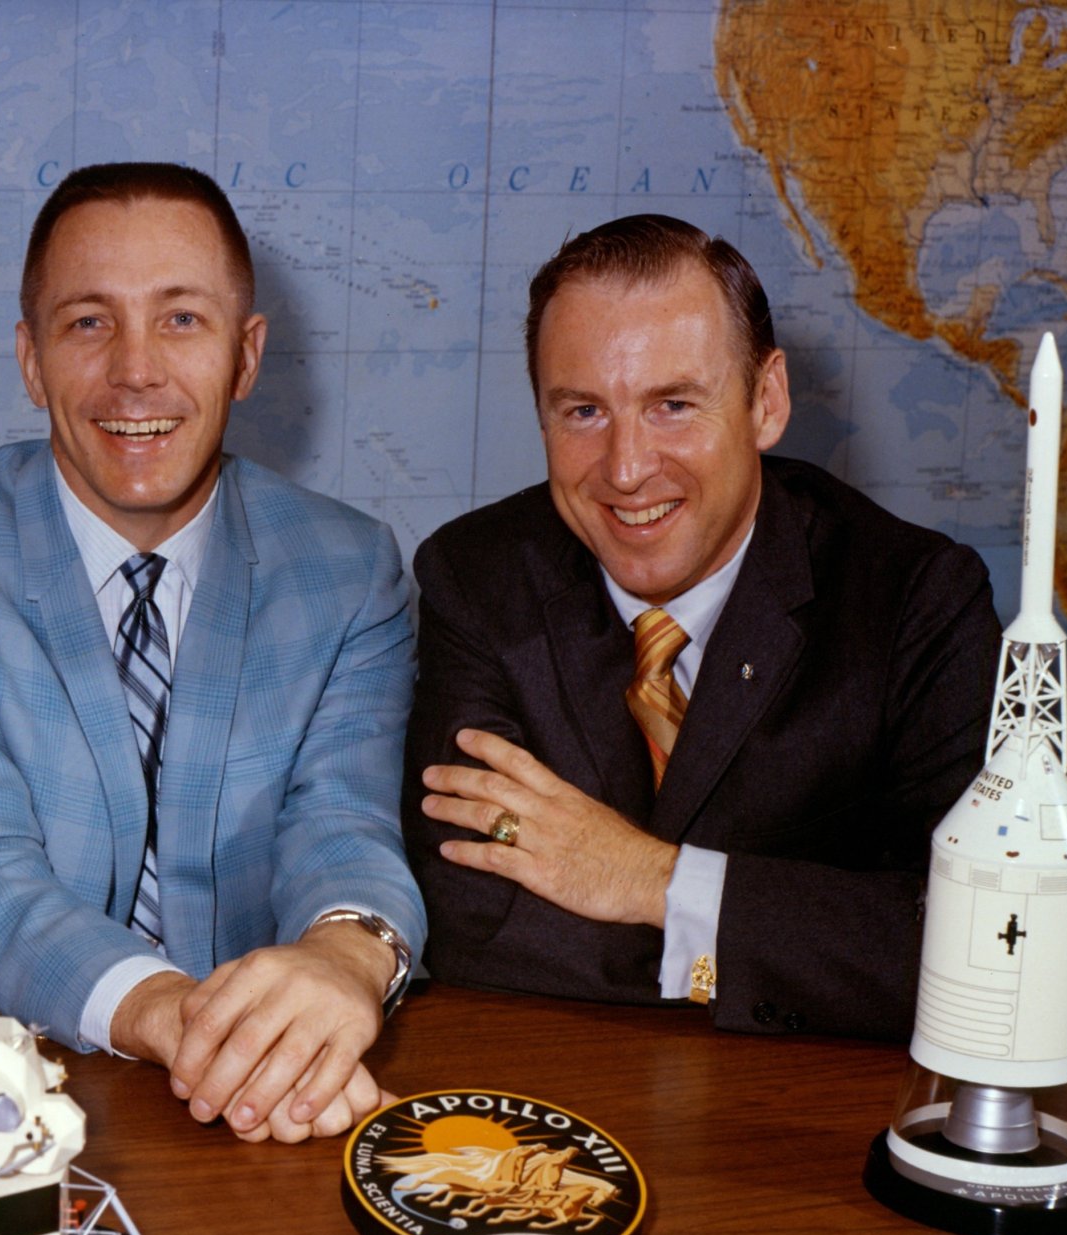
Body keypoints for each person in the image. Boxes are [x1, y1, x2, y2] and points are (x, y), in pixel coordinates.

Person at [0, 163, 424, 1143]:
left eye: (181, 319)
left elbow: (342, 823)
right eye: (88, 322)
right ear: (29, 358)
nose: (134, 370)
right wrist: (189, 1020)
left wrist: (344, 960)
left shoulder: (350, 568)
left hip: (275, 1112)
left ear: (246, 354)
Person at [405, 214, 1001, 1041]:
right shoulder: (475, 576)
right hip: (560, 1083)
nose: (625, 468)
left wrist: (651, 880)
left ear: (767, 401)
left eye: (673, 405)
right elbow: (475, 927)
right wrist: (805, 932)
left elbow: (980, 946)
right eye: (582, 411)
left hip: (801, 1115)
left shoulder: (917, 601)